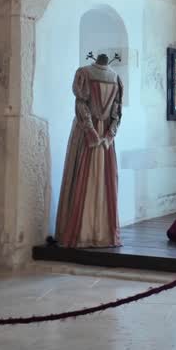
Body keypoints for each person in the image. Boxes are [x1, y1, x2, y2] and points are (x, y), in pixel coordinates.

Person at [54, 54, 123, 248]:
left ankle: (81, 231)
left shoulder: (84, 73)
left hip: (87, 134)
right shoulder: (115, 77)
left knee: (83, 175)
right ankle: (102, 232)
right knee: (103, 178)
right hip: (104, 135)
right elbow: (116, 113)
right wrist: (109, 134)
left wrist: (91, 131)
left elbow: (81, 104)